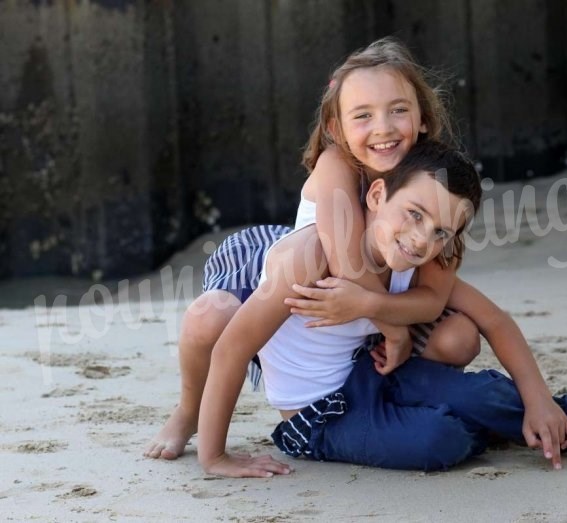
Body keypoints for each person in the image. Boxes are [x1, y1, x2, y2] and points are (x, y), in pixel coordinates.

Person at [196, 142, 567, 477]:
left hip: (382, 374)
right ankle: (498, 428)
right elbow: (232, 350)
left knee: (485, 397)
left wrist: (536, 398)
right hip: (320, 416)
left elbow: (495, 321)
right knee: (437, 441)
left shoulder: (414, 266)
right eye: (415, 215)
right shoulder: (307, 260)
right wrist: (214, 455)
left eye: (442, 233)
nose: (422, 240)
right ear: (378, 194)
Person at [145, 37, 480, 461]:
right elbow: (347, 265)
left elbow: (437, 290)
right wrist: (394, 327)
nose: (384, 128)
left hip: (360, 297)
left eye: (398, 110)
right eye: (364, 115)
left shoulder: (432, 181)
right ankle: (189, 410)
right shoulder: (338, 163)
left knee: (460, 338)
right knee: (210, 318)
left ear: (423, 118)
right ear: (336, 128)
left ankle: (392, 391)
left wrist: (400, 317)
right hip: (298, 270)